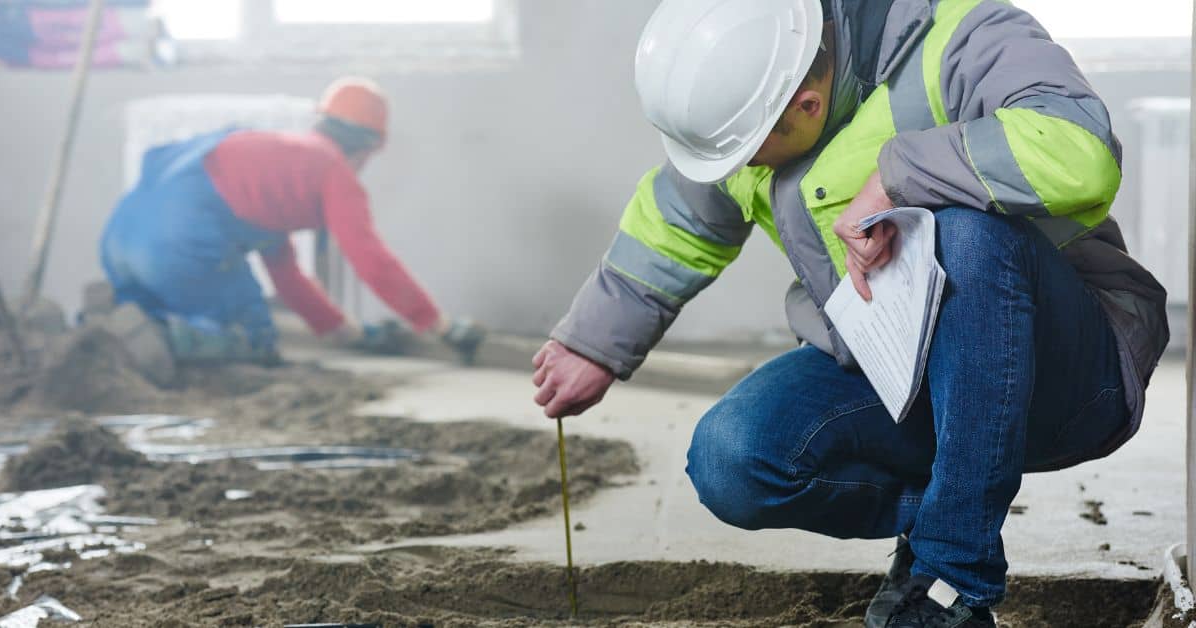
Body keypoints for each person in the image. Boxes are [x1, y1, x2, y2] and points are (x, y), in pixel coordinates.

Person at [530, 1, 1169, 626]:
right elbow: (677, 220)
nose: (743, 167)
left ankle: (949, 580)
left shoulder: (963, 35)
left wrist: (901, 177)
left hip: (1068, 374)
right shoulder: (754, 102)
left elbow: (1079, 150)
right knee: (734, 459)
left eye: (751, 151)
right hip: (902, 373)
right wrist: (592, 343)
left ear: (806, 105)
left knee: (968, 239)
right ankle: (952, 505)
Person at [100, 77, 483, 363]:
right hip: (177, 243)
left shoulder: (277, 160)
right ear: (368, 148)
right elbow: (372, 260)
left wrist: (339, 330)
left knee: (146, 310)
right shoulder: (332, 170)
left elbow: (285, 271)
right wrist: (438, 324)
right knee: (253, 337)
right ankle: (168, 342)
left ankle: (107, 332)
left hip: (120, 239)